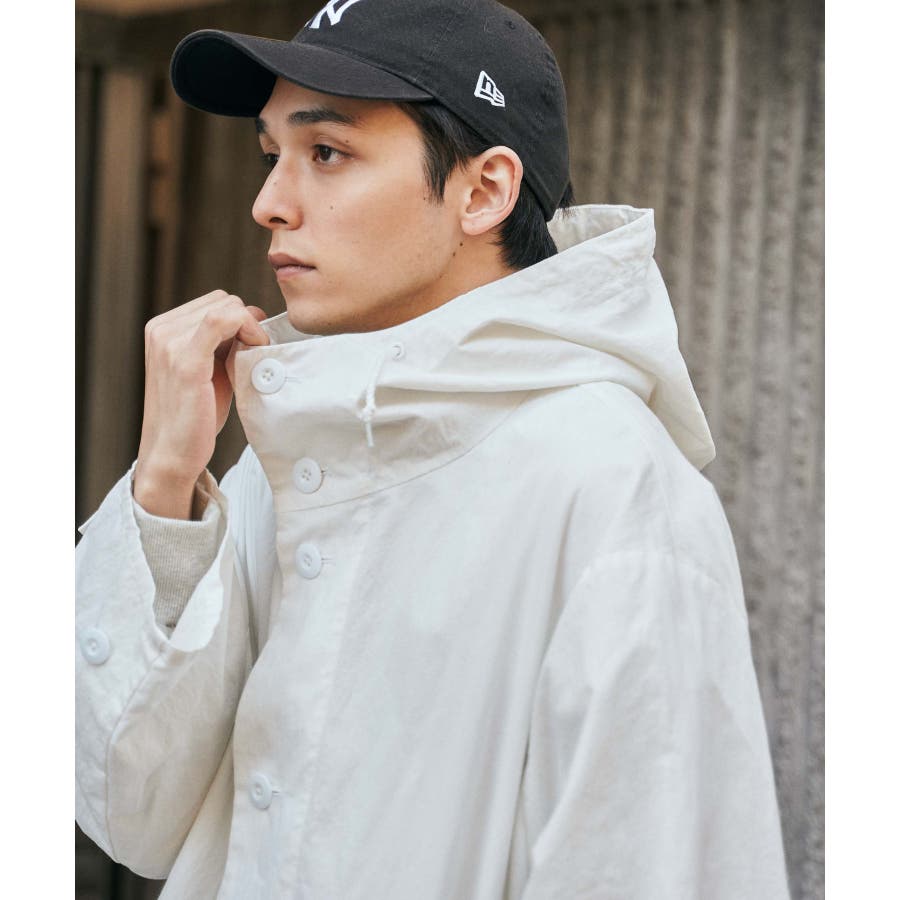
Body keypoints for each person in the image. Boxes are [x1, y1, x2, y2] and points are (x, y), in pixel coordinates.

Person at [75, 1, 791, 897]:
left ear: (483, 192)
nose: (268, 203)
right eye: (271, 155)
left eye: (325, 152)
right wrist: (165, 484)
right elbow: (130, 815)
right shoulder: (290, 455)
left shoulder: (615, 492)